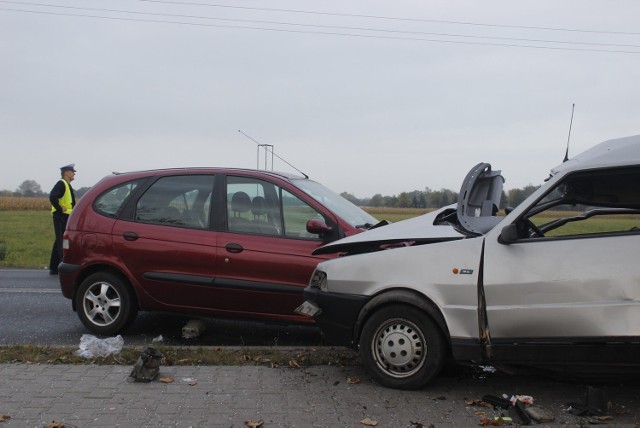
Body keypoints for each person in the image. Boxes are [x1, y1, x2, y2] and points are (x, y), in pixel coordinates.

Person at [49, 164, 76, 274]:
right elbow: (52, 196)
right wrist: (60, 208)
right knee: (61, 242)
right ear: (66, 173)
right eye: (72, 171)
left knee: (59, 241)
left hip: (65, 216)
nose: (74, 173)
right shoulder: (61, 184)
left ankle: (54, 267)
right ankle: (61, 267)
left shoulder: (66, 184)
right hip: (61, 216)